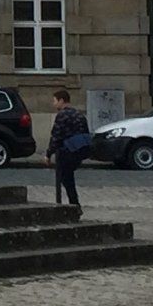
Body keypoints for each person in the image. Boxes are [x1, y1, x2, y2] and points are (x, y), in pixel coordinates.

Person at [45, 87, 90, 216]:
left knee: (65, 178)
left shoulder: (62, 115)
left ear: (61, 100)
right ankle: (74, 206)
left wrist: (48, 154)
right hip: (79, 151)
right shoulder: (79, 114)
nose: (54, 104)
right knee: (68, 178)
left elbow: (56, 136)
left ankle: (73, 206)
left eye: (55, 101)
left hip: (66, 151)